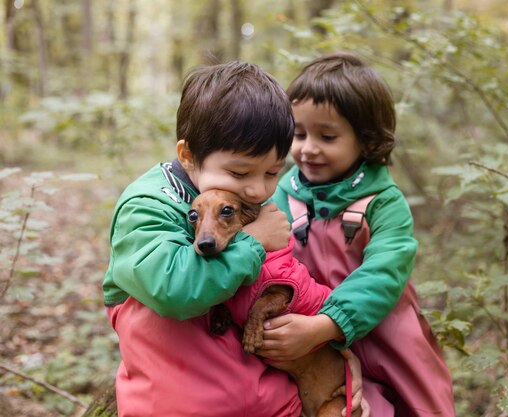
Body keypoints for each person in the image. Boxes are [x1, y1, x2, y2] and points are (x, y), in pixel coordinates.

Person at [102, 60, 367, 417]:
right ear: (188, 157)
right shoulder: (148, 206)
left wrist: (321, 342)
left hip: (273, 402)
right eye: (239, 172)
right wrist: (254, 241)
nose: (258, 188)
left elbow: (284, 282)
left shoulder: (248, 202)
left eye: (273, 172)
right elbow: (173, 289)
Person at [263, 52, 456, 417]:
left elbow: (384, 272)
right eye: (299, 134)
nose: (308, 148)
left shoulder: (382, 202)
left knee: (412, 406)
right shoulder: (283, 194)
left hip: (382, 338)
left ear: (365, 140)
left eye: (328, 136)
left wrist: (326, 325)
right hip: (309, 334)